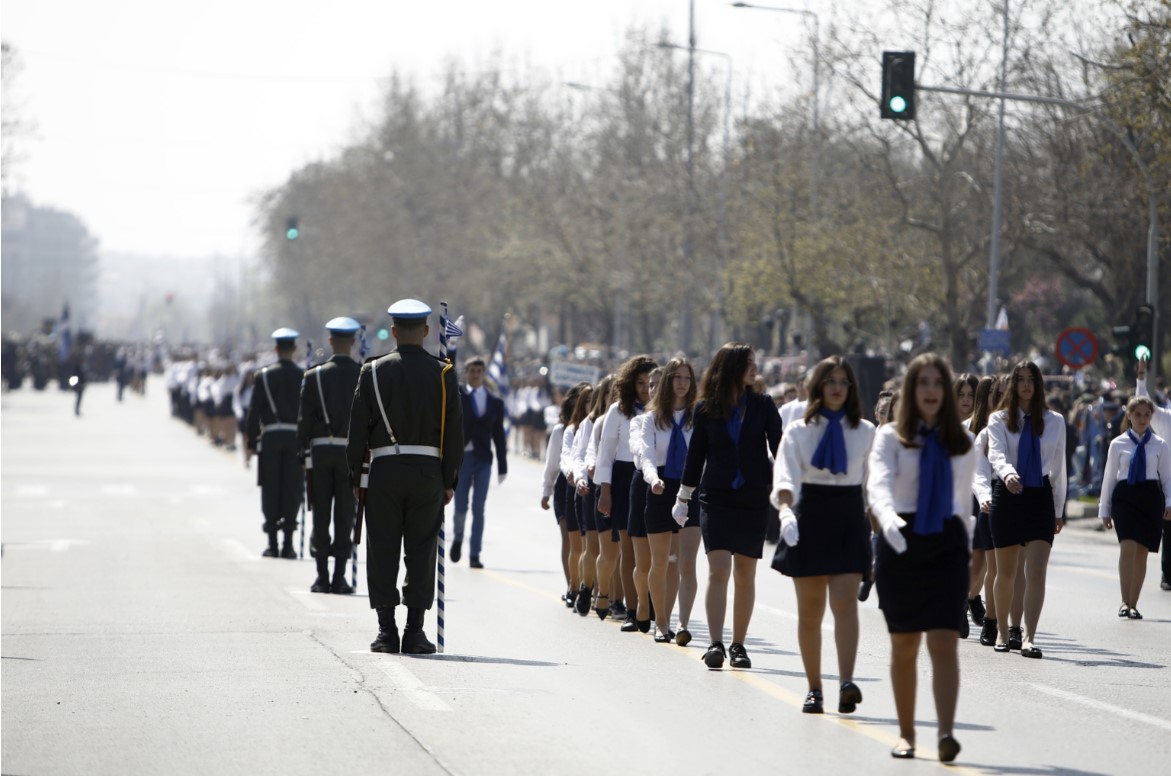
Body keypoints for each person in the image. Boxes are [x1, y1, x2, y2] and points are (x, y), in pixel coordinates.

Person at [867, 353, 976, 762]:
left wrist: (965, 553)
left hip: (946, 543)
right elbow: (878, 483)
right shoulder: (891, 436)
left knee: (945, 642)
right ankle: (907, 734)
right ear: (912, 391)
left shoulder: (961, 442)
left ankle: (946, 733)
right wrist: (888, 519)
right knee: (905, 645)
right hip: (899, 541)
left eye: (937, 383)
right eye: (923, 383)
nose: (931, 390)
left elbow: (963, 503)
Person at [347, 299, 463, 654]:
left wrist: (356, 476)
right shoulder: (443, 373)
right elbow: (454, 432)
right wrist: (449, 480)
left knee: (382, 549)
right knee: (421, 551)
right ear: (426, 331)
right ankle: (415, 631)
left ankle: (386, 631)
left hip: (384, 472)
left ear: (394, 332)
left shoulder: (372, 371)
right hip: (428, 473)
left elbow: (357, 431)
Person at [771, 356, 875, 714]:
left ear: (851, 388)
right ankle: (815, 688)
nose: (836, 387)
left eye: (843, 381)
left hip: (849, 515)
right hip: (809, 514)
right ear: (818, 385)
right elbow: (785, 478)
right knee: (810, 612)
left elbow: (877, 485)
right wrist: (785, 512)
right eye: (830, 380)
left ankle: (846, 682)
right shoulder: (799, 430)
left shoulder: (865, 431)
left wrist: (884, 526)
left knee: (845, 603)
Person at [676, 343, 782, 669]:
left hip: (753, 497)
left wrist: (790, 489)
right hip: (717, 497)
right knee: (719, 569)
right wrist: (683, 497)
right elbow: (696, 457)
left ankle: (739, 645)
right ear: (731, 367)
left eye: (755, 363)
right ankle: (716, 644)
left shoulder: (764, 405)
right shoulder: (706, 408)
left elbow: (780, 447)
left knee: (746, 574)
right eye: (748, 364)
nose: (754, 369)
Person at [987, 361, 1067, 658]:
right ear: (1012, 385)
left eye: (1031, 379)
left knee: (1036, 571)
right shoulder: (998, 419)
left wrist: (1059, 509)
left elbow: (1059, 467)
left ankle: (1030, 637)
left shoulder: (1055, 421)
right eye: (1020, 379)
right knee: (1006, 572)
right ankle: (1002, 631)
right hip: (1008, 495)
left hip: (1039, 498)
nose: (1026, 385)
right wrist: (1007, 473)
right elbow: (996, 452)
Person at [298, 317, 362, 594]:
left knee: (321, 513)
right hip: (351, 453)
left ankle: (321, 576)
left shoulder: (313, 376)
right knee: (346, 515)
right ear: (354, 342)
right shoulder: (364, 374)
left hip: (321, 451)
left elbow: (304, 422)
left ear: (331, 340)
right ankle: (339, 577)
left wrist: (303, 453)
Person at [596, 355, 658, 632]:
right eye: (641, 383)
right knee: (629, 548)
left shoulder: (661, 410)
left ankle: (654, 606)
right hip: (623, 479)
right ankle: (633, 608)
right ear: (630, 383)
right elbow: (605, 454)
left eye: (650, 383)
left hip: (656, 478)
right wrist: (605, 490)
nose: (645, 388)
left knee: (655, 551)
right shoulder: (618, 411)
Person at [639, 358, 699, 643]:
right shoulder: (652, 419)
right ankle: (659, 621)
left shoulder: (697, 416)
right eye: (676, 377)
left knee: (681, 561)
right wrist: (654, 480)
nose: (682, 382)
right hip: (660, 486)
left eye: (687, 377)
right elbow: (647, 455)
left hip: (689, 487)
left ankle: (675, 619)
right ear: (667, 382)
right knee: (660, 562)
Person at [1098, 396, 1171, 619]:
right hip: (1125, 497)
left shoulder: (1159, 444)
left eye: (1147, 415)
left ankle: (1134, 604)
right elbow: (1109, 477)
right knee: (1127, 547)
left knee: (1142, 552)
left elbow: (1167, 477)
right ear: (1129, 415)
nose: (1142, 419)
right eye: (1137, 414)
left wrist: (1169, 502)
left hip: (1149, 498)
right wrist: (1104, 509)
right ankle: (1124, 600)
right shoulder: (1118, 443)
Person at [246, 329, 306, 559]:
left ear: (276, 349)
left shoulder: (264, 376)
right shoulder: (303, 375)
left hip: (270, 437)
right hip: (295, 438)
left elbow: (255, 411)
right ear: (294, 349)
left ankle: (272, 542)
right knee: (293, 488)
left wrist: (251, 440)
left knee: (270, 487)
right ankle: (288, 544)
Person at [450, 356, 509, 569]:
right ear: (466, 372)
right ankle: (458, 537)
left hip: (484, 458)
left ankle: (475, 553)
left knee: (478, 507)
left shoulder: (495, 401)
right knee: (460, 506)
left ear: (484, 374)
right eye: (471, 370)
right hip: (463, 458)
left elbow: (499, 436)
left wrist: (503, 466)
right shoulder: (458, 395)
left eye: (479, 371)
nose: (475, 374)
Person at [543, 383, 589, 607]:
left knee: (586, 540)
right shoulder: (561, 431)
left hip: (586, 485)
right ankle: (572, 583)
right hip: (565, 486)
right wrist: (546, 490)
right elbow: (552, 463)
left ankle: (586, 585)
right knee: (569, 539)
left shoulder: (594, 428)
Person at [1135, 357, 1171, 591]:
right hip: (1169, 483)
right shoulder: (1166, 418)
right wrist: (1141, 378)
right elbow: (1145, 403)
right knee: (1169, 532)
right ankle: (1167, 575)